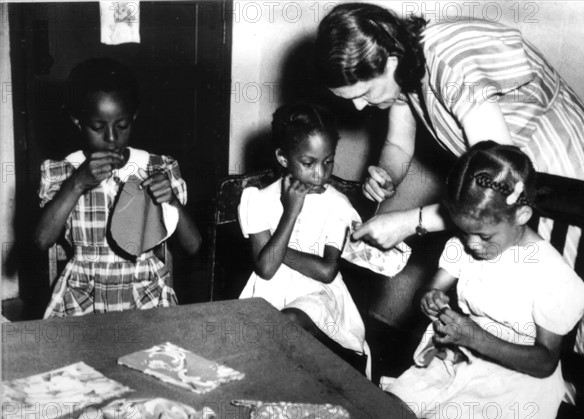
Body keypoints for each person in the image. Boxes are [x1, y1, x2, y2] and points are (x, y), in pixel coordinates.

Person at [315, 2, 584, 347]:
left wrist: (410, 222)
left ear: (389, 60)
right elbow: (399, 145)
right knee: (519, 305)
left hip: (557, 166)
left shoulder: (450, 67)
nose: (359, 107)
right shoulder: (403, 67)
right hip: (503, 182)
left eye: (363, 94)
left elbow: (494, 187)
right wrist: (386, 172)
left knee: (570, 304)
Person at [381, 141, 584, 419]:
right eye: (465, 232)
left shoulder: (551, 275)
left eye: (484, 236)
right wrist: (430, 298)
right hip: (457, 358)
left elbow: (545, 361)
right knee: (386, 417)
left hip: (513, 382)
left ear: (521, 215)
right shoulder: (466, 243)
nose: (472, 245)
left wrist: (474, 336)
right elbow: (431, 288)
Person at [34, 58, 201, 318]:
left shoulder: (157, 167)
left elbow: (193, 245)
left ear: (134, 117)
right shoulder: (64, 171)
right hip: (82, 297)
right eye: (98, 127)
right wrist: (77, 184)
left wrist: (172, 201)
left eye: (122, 126)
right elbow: (42, 240)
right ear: (78, 121)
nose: (112, 138)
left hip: (145, 295)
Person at [238, 102, 370, 370]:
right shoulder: (258, 200)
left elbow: (325, 271)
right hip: (267, 294)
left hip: (319, 296)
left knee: (289, 322)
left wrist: (272, 247)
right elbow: (265, 270)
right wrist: (291, 213)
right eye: (309, 163)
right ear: (283, 158)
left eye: (328, 161)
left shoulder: (337, 203)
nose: (320, 174)